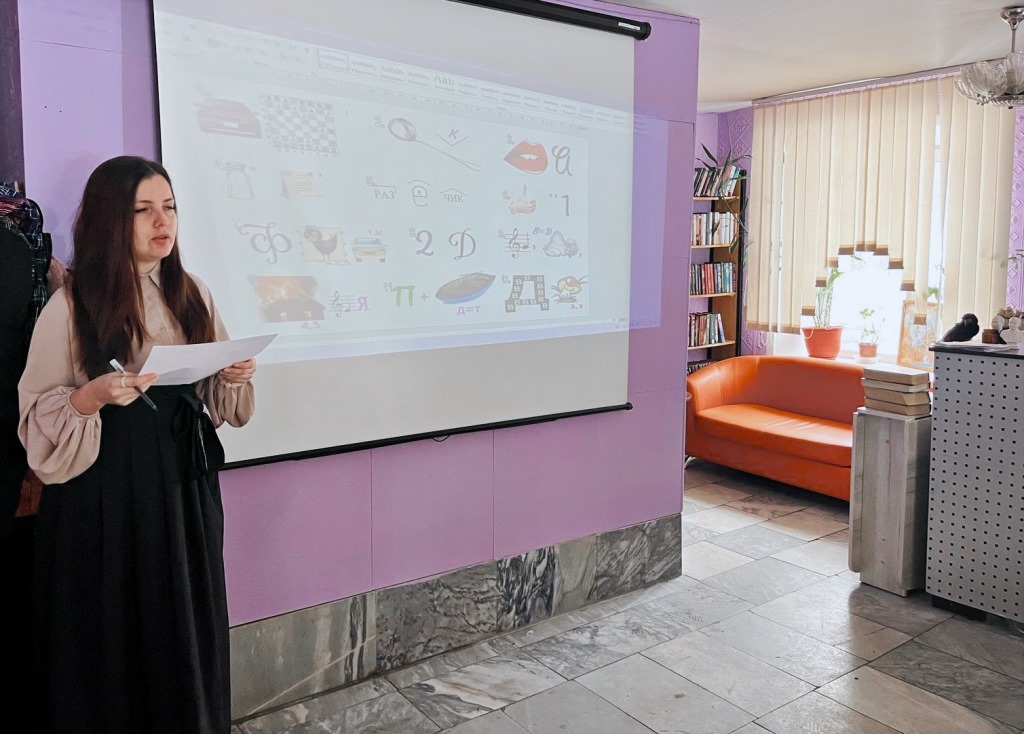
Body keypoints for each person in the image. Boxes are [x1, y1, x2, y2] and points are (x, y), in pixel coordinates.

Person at [18, 156, 255, 733]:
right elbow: (35, 415)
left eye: (169, 207)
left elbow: (219, 400)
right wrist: (89, 397)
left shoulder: (191, 293)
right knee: (113, 627)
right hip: (105, 491)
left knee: (184, 616)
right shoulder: (73, 303)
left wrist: (232, 375)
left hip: (184, 485)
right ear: (110, 220)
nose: (162, 222)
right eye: (143, 210)